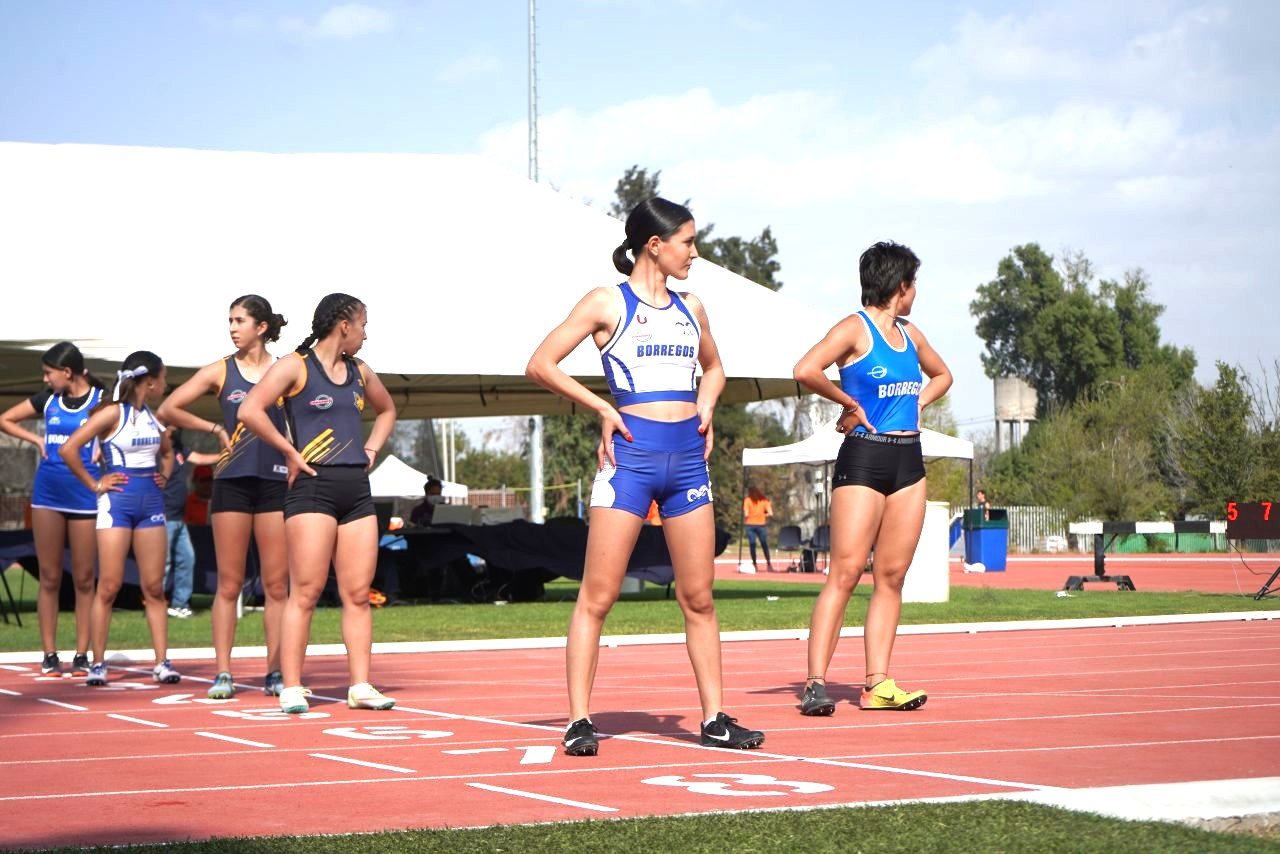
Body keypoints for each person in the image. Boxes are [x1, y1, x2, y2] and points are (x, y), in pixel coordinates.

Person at [526, 197, 764, 756]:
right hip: (630, 462)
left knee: (699, 597)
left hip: (688, 462)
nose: (695, 253)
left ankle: (715, 719)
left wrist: (707, 404)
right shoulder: (607, 301)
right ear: (654, 245)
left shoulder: (692, 307)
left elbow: (715, 368)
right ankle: (579, 720)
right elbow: (540, 363)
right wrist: (602, 408)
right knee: (598, 595)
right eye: (688, 242)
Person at [791, 241, 952, 716]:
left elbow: (943, 375)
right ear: (901, 286)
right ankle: (815, 684)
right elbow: (805, 369)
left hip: (909, 461)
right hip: (864, 457)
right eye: (914, 284)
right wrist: (848, 403)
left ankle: (877, 684)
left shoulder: (911, 335)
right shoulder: (853, 328)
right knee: (845, 573)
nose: (916, 292)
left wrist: (919, 402)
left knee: (892, 576)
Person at [238, 292, 397, 714]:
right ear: (344, 325)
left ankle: (360, 686)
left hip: (356, 489)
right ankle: (291, 686)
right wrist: (289, 452)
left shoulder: (361, 371)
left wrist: (371, 449)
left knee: (358, 594)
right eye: (363, 325)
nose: (365, 334)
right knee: (305, 591)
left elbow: (387, 410)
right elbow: (250, 410)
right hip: (312, 487)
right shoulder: (295, 366)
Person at [158, 295, 291, 699]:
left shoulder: (286, 370)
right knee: (229, 585)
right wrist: (214, 429)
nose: (232, 328)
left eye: (239, 321)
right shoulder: (221, 370)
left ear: (261, 327)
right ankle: (223, 674)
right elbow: (168, 408)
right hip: (232, 482)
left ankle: (275, 672)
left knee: (277, 586)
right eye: (230, 320)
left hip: (275, 483)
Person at [59, 351, 181, 686]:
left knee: (154, 587)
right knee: (109, 585)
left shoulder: (152, 417)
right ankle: (98, 663)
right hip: (117, 504)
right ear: (150, 381)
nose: (166, 384)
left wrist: (165, 475)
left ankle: (163, 662)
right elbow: (69, 449)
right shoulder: (113, 412)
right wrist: (95, 484)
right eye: (163, 378)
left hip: (151, 503)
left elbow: (167, 453)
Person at [0, 342, 104, 677]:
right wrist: (37, 440)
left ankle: (82, 654)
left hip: (85, 494)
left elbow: (120, 428)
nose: (45, 379)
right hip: (48, 494)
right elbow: (5, 419)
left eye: (49, 373)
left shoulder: (101, 400)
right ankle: (49, 653)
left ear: (67, 372)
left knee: (84, 578)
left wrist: (103, 446)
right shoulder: (48, 400)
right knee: (49, 576)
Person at [160, 429, 218, 619]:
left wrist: (224, 455)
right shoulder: (157, 450)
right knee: (163, 563)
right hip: (164, 515)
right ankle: (155, 603)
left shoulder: (179, 448)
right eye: (171, 426)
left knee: (187, 558)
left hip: (178, 518)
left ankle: (180, 604)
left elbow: (199, 458)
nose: (176, 428)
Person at [742, 486, 774, 571]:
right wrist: (762, 515)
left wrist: (756, 515)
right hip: (756, 525)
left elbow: (746, 514)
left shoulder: (750, 500)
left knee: (755, 544)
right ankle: (765, 564)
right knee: (760, 544)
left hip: (754, 525)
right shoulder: (761, 500)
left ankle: (759, 564)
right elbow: (770, 513)